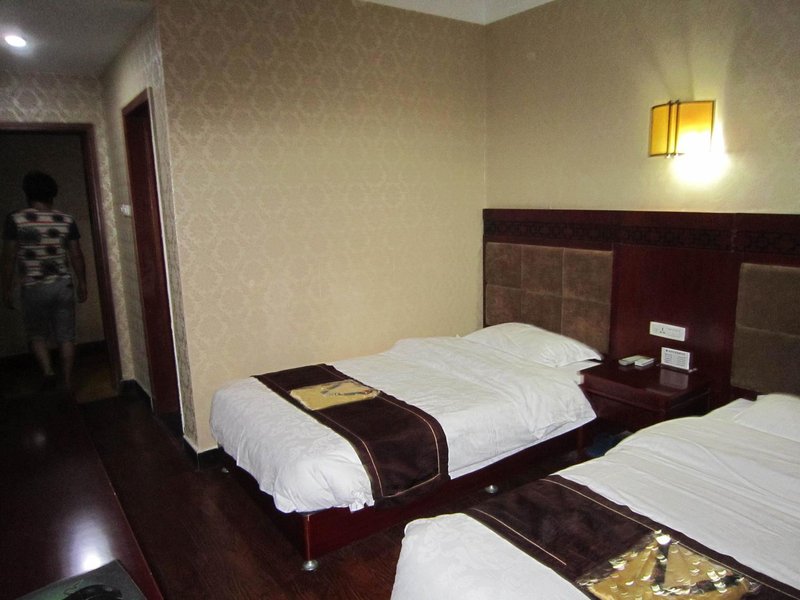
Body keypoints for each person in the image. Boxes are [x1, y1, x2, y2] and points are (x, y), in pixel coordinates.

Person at [1, 170, 88, 390]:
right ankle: (67, 381)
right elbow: (76, 255)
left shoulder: (16, 219)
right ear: (52, 193)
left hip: (33, 286)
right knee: (66, 336)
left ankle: (48, 371)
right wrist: (82, 282)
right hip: (62, 284)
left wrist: (6, 287)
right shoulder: (65, 220)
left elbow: (9, 257)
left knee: (36, 334)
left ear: (27, 193)